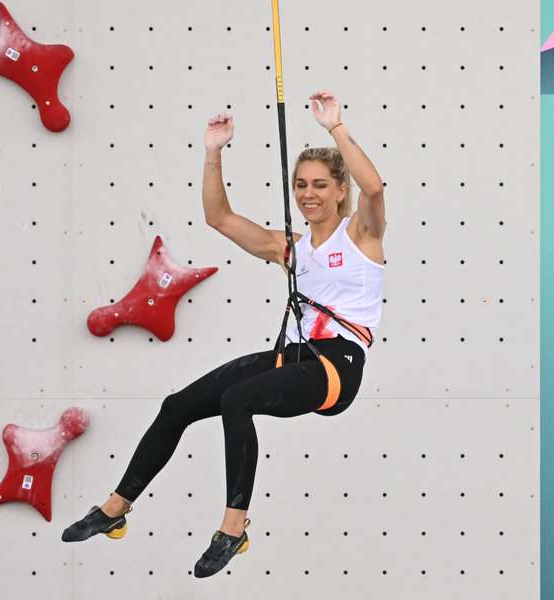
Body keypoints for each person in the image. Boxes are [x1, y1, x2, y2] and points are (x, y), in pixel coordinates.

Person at [61, 90, 386, 578]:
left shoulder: (361, 236)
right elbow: (220, 218)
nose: (308, 194)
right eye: (300, 185)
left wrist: (335, 127)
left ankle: (233, 529)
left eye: (320, 184)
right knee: (178, 406)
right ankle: (114, 509)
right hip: (294, 356)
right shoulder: (289, 248)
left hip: (337, 367)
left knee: (238, 400)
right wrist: (214, 152)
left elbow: (376, 189)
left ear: (341, 191)